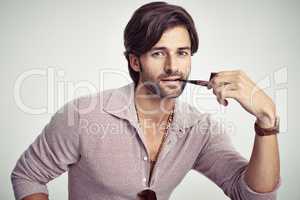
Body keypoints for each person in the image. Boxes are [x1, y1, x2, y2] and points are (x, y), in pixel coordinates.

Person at [11, 1, 281, 200]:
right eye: (158, 53)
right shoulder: (82, 116)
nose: (173, 66)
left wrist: (267, 121)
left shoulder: (201, 129)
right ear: (135, 61)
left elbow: (253, 195)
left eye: (182, 53)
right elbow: (28, 176)